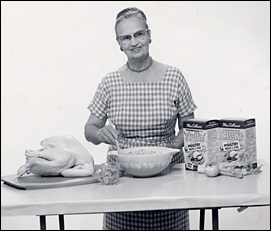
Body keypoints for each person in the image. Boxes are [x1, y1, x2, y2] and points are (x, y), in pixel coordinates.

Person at [84, 6, 197, 230]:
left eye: (139, 34)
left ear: (149, 35)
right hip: (123, 181)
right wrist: (99, 133)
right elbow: (89, 129)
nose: (133, 42)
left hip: (169, 178)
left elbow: (190, 127)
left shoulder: (174, 77)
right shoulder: (110, 82)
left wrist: (174, 145)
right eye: (125, 38)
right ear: (118, 44)